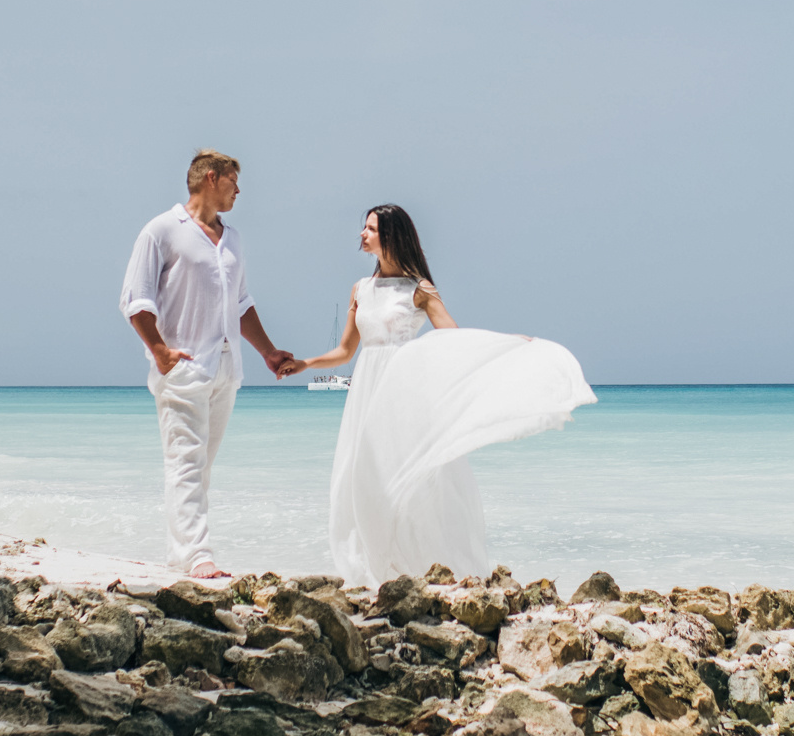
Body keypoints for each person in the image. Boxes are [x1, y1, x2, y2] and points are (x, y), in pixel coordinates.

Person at [291, 204, 594, 586]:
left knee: (418, 479)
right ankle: (377, 563)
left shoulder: (418, 289)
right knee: (362, 474)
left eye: (370, 229)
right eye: (364, 228)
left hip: (405, 391)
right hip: (367, 391)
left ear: (391, 237)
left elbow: (452, 337)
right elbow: (346, 352)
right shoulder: (360, 289)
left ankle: (423, 563)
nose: (362, 234)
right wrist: (303, 363)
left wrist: (504, 343)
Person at [120, 150, 300, 580]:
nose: (239, 191)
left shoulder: (233, 239)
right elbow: (135, 299)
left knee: (200, 466)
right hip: (183, 367)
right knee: (185, 461)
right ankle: (199, 556)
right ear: (211, 179)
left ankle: (180, 556)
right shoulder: (161, 231)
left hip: (225, 369)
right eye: (233, 182)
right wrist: (161, 352)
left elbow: (240, 304)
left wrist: (267, 352)